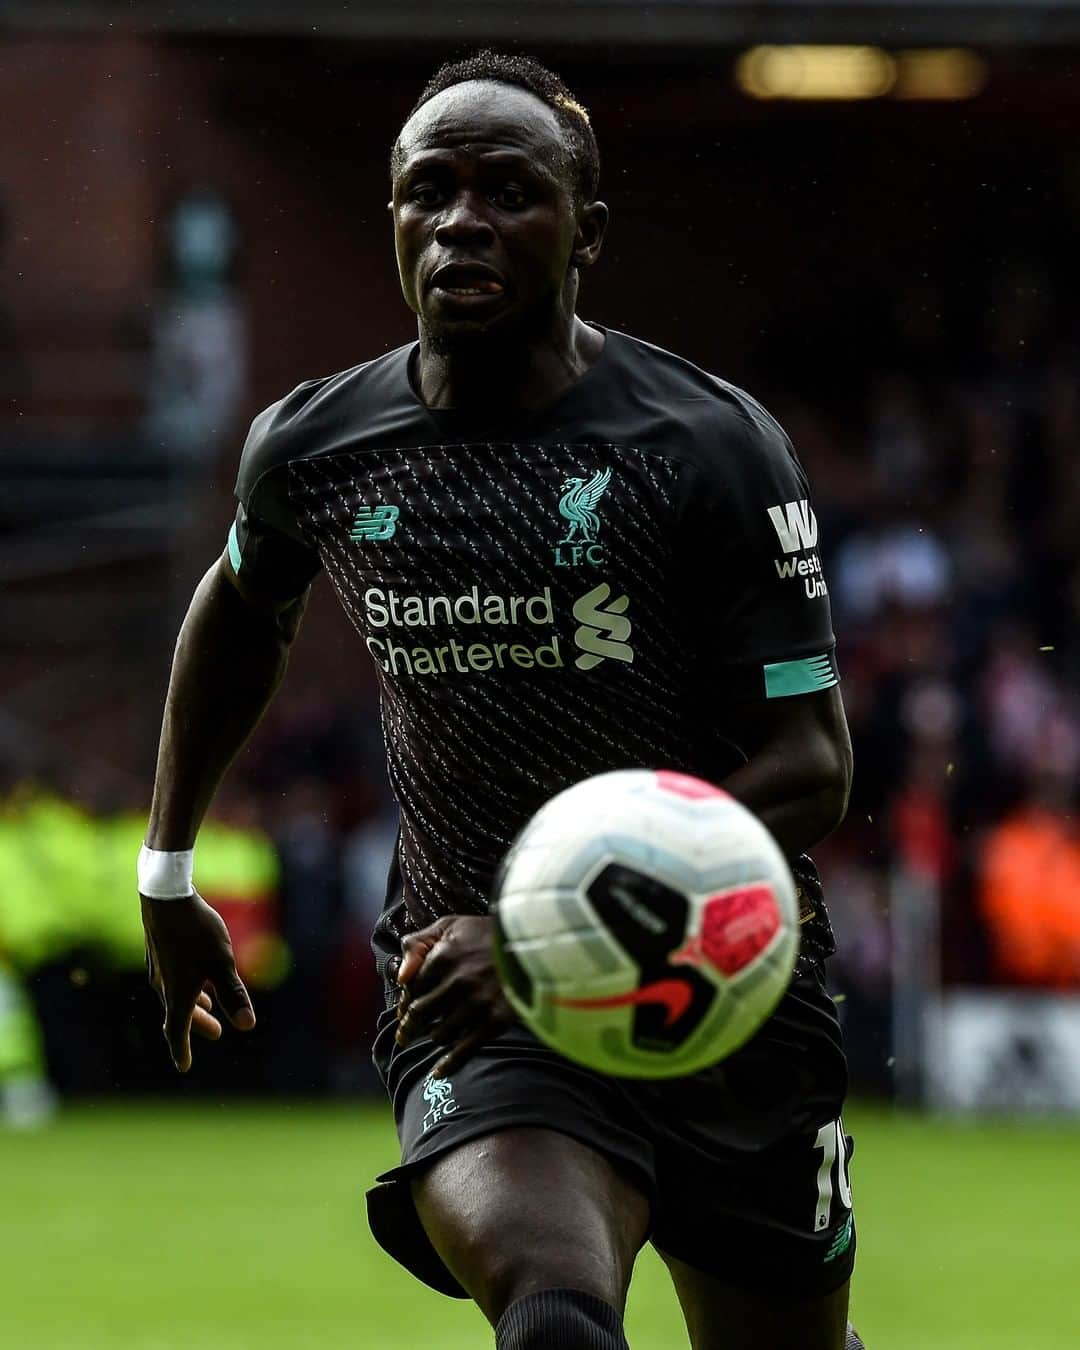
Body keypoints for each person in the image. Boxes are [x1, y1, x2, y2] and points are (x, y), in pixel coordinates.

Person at [139, 50, 863, 1350]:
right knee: (557, 1325)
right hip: (472, 1002)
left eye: (509, 190)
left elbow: (813, 764)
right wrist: (167, 866)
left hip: (728, 991)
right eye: (431, 189)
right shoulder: (314, 443)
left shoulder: (708, 446)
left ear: (588, 231)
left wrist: (541, 930)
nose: (462, 219)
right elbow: (241, 607)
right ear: (395, 221)